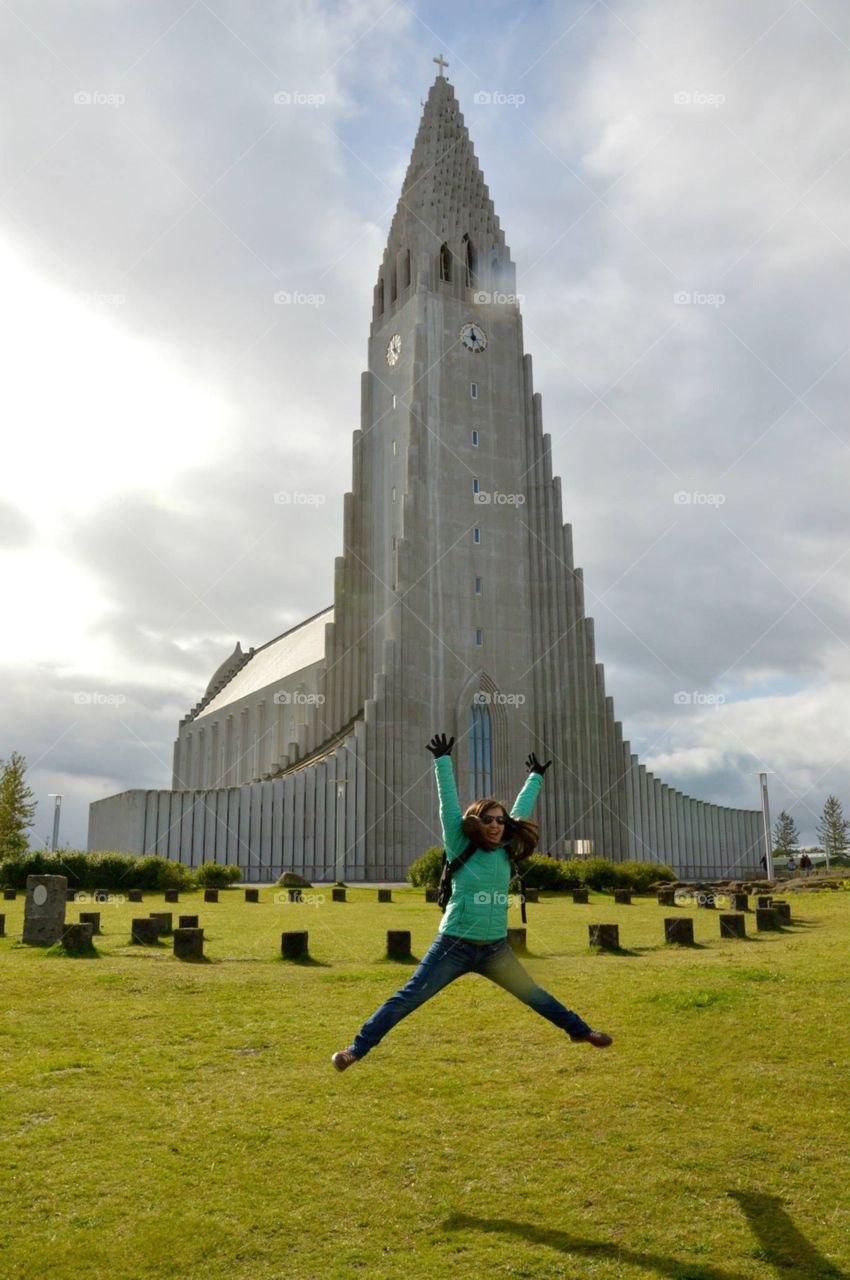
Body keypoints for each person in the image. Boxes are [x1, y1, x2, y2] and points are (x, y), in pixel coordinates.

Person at [331, 731, 613, 1071]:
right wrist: (442, 761)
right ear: (475, 822)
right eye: (488, 820)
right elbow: (447, 804)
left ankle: (581, 1032)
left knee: (534, 994)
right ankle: (356, 1049)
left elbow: (520, 812)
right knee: (409, 997)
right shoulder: (459, 844)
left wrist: (535, 777)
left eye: (500, 821)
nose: (495, 825)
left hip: (495, 948)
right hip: (454, 944)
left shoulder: (506, 852)